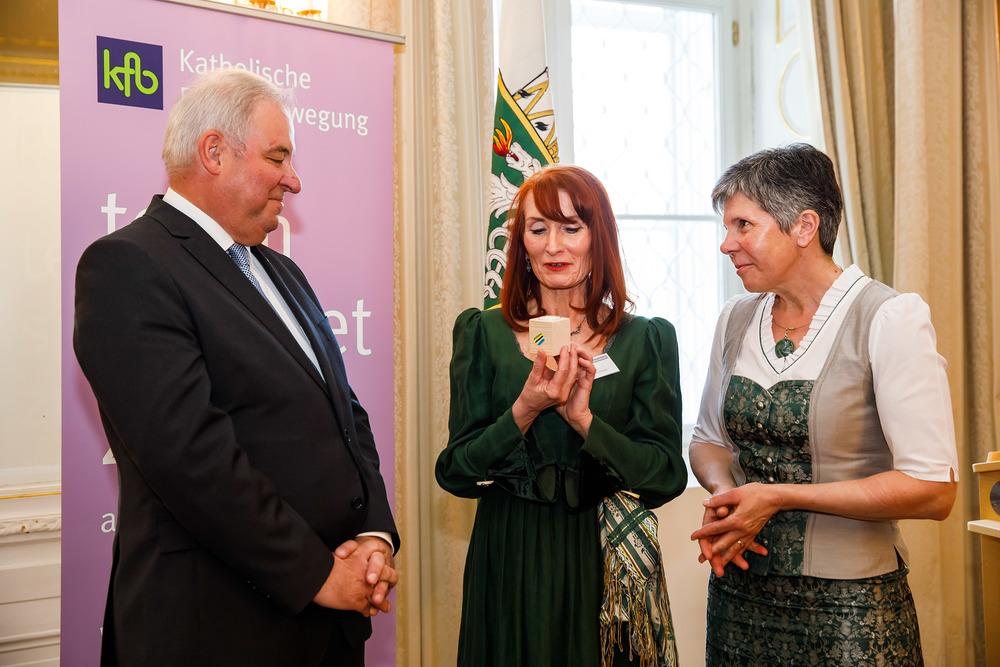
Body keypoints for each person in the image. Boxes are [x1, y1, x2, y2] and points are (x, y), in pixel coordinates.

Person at [73, 69, 398, 666]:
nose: (294, 179)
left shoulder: (282, 272)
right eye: (278, 157)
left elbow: (345, 414)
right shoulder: (127, 266)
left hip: (326, 623)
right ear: (214, 152)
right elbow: (192, 459)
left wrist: (373, 535)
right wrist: (319, 575)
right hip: (217, 629)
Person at [688, 143, 959, 665]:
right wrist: (727, 497)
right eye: (727, 227)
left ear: (804, 227)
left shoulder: (889, 318)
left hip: (852, 609)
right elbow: (707, 441)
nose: (726, 244)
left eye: (743, 225)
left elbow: (933, 490)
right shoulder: (734, 318)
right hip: (739, 598)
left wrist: (777, 496)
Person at [436, 164, 687, 667]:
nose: (554, 246)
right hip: (507, 556)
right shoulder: (483, 333)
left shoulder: (644, 339)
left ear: (599, 238)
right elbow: (456, 472)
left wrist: (584, 422)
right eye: (538, 229)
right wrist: (524, 410)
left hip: (602, 561)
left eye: (571, 228)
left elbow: (664, 477)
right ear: (521, 244)